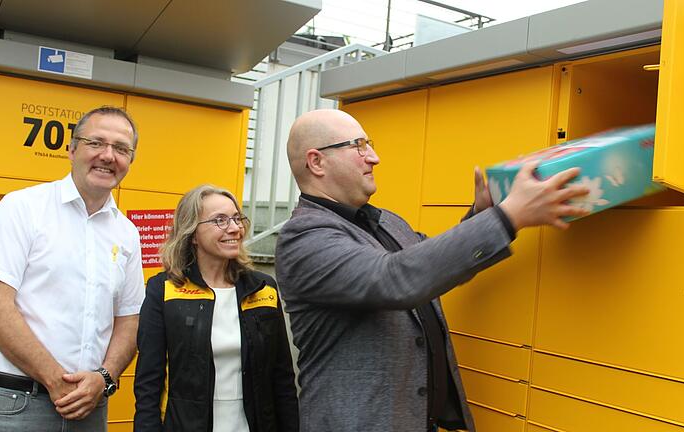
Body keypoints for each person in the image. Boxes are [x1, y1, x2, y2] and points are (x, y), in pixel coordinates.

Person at [274, 109, 590, 432]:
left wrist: (483, 215)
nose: (374, 157)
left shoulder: (383, 220)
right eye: (358, 146)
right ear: (316, 162)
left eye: (369, 144)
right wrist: (509, 217)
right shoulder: (303, 239)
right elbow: (395, 278)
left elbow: (428, 265)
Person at [0, 106, 144, 431]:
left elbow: (130, 319)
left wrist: (104, 378)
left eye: (121, 149)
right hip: (17, 406)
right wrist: (56, 381)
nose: (108, 156)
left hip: (90, 407)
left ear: (129, 161)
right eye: (97, 143)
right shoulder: (23, 208)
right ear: (72, 149)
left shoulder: (127, 233)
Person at [134, 184, 299, 432]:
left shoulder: (264, 289)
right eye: (219, 220)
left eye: (236, 218)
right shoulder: (164, 290)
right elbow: (148, 382)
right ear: (192, 234)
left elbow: (282, 378)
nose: (234, 228)